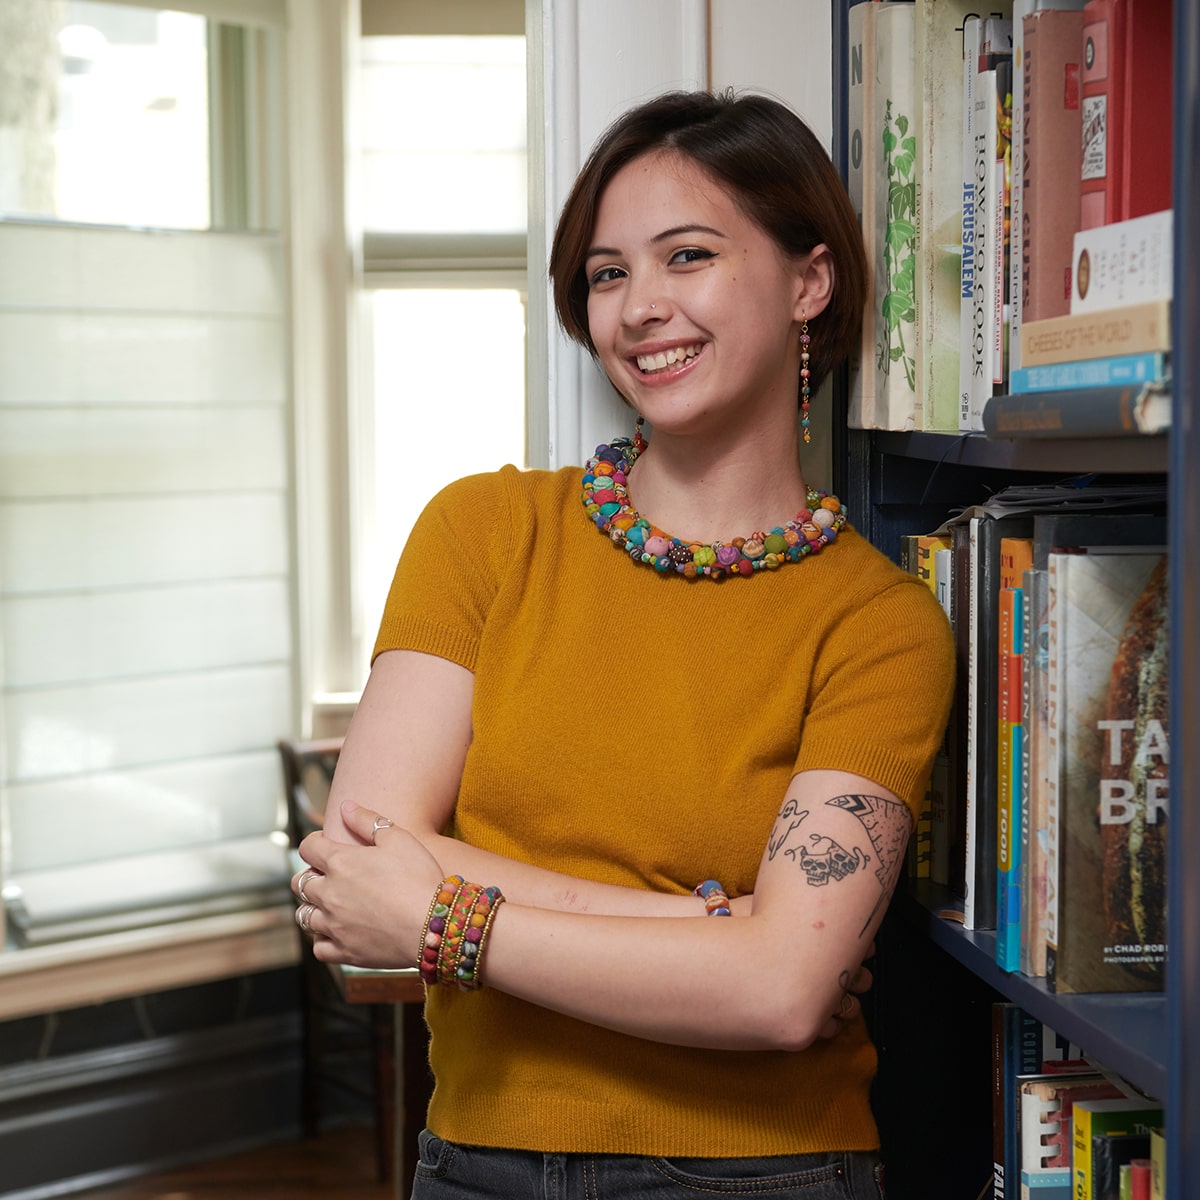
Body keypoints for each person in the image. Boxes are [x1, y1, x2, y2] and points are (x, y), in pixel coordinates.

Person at [293, 89, 955, 1199]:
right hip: (471, 1165)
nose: (639, 307)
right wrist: (716, 926)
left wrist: (446, 915)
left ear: (809, 279)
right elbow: (364, 862)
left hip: (765, 1175)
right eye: (607, 274)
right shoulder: (485, 533)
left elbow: (782, 996)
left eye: (685, 256)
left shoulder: (880, 624)